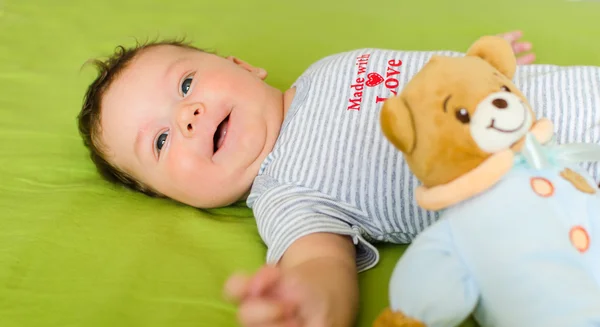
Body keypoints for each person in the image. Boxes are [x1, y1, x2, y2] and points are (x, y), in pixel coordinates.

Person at [77, 30, 600, 327]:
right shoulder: (284, 195)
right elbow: (320, 265)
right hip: (568, 198)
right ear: (178, 198)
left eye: (186, 82)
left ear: (241, 64)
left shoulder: (327, 69)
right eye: (161, 141)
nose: (187, 115)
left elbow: (431, 84)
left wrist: (478, 59)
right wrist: (304, 303)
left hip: (579, 94)